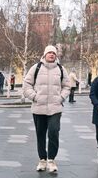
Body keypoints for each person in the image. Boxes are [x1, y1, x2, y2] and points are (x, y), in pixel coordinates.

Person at [22, 45, 70, 173]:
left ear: (56, 55)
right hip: (39, 107)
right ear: (44, 55)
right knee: (40, 134)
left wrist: (61, 98)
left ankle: (51, 160)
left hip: (55, 107)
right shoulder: (36, 68)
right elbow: (26, 85)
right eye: (49, 53)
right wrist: (34, 97)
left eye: (53, 53)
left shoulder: (61, 69)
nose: (51, 55)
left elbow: (67, 86)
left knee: (54, 132)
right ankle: (42, 159)